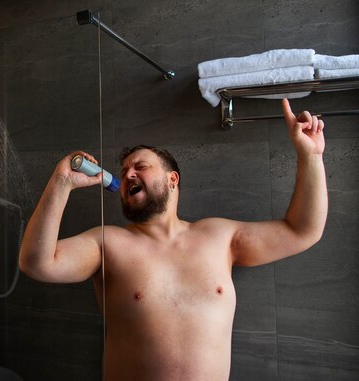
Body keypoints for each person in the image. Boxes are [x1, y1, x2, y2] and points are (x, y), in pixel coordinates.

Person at [19, 99, 327, 380]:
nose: (127, 175)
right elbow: (37, 263)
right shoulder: (107, 243)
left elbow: (302, 231)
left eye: (140, 167)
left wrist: (310, 155)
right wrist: (61, 182)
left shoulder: (219, 236)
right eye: (124, 171)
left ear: (172, 179)